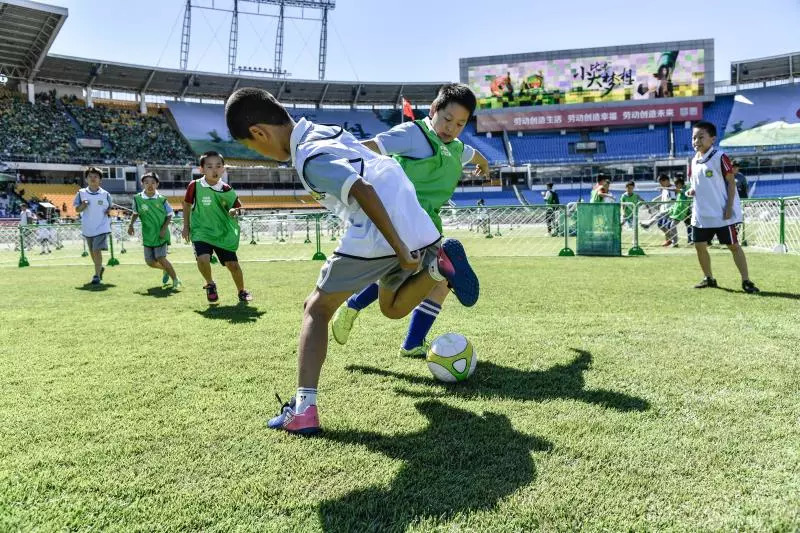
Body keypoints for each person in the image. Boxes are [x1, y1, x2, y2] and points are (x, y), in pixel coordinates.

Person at [224, 87, 479, 435]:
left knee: (316, 308)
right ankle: (439, 266)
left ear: (259, 133)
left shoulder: (310, 158)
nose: (259, 152)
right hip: (414, 214)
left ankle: (304, 410)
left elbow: (362, 189)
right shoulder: (323, 129)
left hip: (380, 226)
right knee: (391, 307)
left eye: (253, 147)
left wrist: (400, 248)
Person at [330, 83, 490, 357]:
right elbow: (370, 147)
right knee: (398, 281)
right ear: (433, 110)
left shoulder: (456, 148)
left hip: (429, 228)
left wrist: (484, 163)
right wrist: (333, 161)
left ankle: (413, 342)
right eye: (447, 119)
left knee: (441, 280)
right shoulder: (412, 134)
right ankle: (352, 306)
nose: (451, 128)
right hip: (399, 226)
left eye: (460, 124)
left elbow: (473, 154)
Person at [687, 121, 759, 293]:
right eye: (694, 137)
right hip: (701, 214)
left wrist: (728, 208)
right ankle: (709, 278)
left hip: (721, 213)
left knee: (733, 246)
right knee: (699, 245)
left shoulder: (720, 156)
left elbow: (731, 183)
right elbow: (695, 183)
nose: (696, 141)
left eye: (701, 137)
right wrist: (691, 190)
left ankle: (746, 280)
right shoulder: (693, 161)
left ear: (712, 139)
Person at [181, 151, 251, 303]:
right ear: (202, 169)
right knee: (202, 258)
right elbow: (186, 204)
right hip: (201, 231)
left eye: (218, 166)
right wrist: (186, 226)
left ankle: (242, 291)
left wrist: (234, 211)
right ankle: (210, 284)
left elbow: (239, 208)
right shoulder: (195, 186)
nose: (215, 170)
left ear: (223, 169)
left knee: (232, 265)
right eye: (210, 166)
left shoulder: (227, 189)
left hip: (222, 233)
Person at [128, 172, 181, 289]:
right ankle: (165, 269)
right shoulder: (137, 199)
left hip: (161, 234)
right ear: (142, 184)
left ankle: (176, 280)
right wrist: (131, 225)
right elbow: (135, 213)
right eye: (146, 182)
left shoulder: (162, 199)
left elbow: (169, 214)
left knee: (160, 257)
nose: (150, 185)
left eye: (153, 182)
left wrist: (163, 228)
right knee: (149, 262)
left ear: (157, 184)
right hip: (148, 234)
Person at [73, 167, 112, 285]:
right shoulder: (81, 193)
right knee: (92, 251)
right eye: (90, 176)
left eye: (96, 176)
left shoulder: (106, 194)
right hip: (88, 227)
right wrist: (82, 206)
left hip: (102, 227)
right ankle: (99, 268)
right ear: (86, 179)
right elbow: (77, 210)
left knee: (96, 250)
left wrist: (108, 211)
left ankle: (96, 276)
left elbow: (109, 207)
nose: (93, 178)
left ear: (100, 180)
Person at [665, 177, 691, 247]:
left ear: (680, 184)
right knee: (669, 225)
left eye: (676, 184)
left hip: (681, 212)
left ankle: (675, 243)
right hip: (675, 211)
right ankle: (673, 241)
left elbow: (678, 190)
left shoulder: (686, 189)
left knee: (672, 226)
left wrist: (666, 188)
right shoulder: (681, 191)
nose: (675, 186)